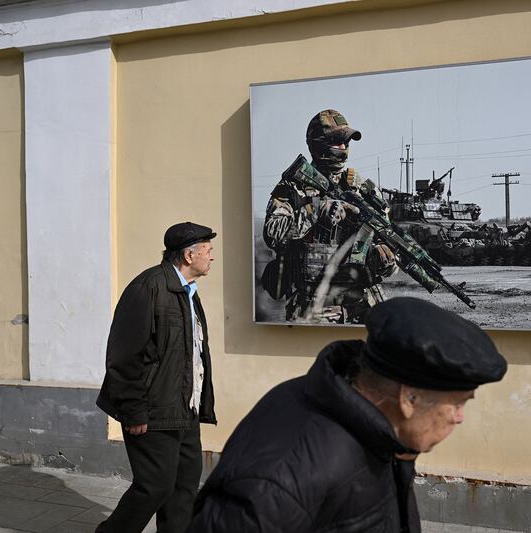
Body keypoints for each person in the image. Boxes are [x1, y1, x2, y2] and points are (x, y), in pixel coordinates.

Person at [189, 297, 507, 533]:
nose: (460, 417)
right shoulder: (283, 479)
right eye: (458, 403)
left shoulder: (378, 428)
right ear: (409, 398)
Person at [95, 221, 217, 533]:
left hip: (184, 409)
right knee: (155, 487)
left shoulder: (188, 293)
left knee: (185, 487)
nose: (212, 256)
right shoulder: (148, 288)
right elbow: (123, 357)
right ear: (189, 256)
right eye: (208, 250)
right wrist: (134, 410)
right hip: (151, 411)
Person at [262, 109, 398, 324]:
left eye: (347, 143)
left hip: (363, 307)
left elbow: (386, 244)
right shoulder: (293, 188)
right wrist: (316, 210)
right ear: (318, 143)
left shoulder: (363, 189)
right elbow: (273, 234)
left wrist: (385, 259)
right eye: (337, 142)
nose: (344, 148)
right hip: (313, 309)